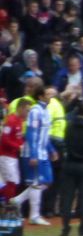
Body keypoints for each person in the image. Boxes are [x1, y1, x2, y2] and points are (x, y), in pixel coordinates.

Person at [10, 80, 55, 224]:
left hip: (43, 152)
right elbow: (31, 134)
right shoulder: (35, 111)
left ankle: (18, 200)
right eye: (47, 94)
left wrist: (51, 150)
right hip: (33, 152)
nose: (50, 97)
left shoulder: (46, 112)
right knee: (36, 182)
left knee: (47, 180)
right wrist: (34, 154)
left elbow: (44, 135)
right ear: (41, 97)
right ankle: (34, 215)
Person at [58, 99, 83, 236]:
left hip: (69, 164)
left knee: (67, 198)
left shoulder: (69, 127)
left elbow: (65, 144)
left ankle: (65, 228)